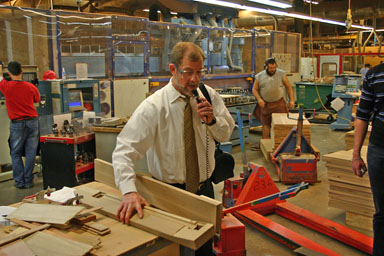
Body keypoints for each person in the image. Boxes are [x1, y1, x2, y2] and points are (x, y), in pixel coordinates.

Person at [112, 42, 235, 255]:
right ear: (173, 69)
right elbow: (124, 151)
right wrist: (129, 191)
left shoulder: (209, 96)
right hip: (168, 195)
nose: (194, 79)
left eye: (199, 73)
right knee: (172, 250)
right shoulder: (154, 107)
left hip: (204, 192)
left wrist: (213, 121)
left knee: (204, 249)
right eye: (188, 72)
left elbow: (225, 134)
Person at [352, 62, 384, 256]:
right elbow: (363, 115)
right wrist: (356, 155)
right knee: (382, 212)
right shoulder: (375, 75)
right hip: (379, 150)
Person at [0, 61, 40, 189]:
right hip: (32, 122)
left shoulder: (6, 86)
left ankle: (19, 182)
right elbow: (37, 100)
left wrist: (0, 69)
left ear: (9, 73)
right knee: (31, 153)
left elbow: (0, 77)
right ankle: (28, 181)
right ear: (22, 72)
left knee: (15, 153)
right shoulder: (31, 87)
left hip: (17, 124)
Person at [252, 58, 294, 139]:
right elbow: (254, 89)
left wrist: (291, 100)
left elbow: (288, 86)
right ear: (266, 67)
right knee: (265, 124)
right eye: (270, 68)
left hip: (279, 103)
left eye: (274, 68)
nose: (273, 70)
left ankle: (280, 142)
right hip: (265, 104)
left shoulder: (281, 74)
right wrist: (259, 99)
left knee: (281, 124)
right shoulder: (259, 76)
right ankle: (265, 143)